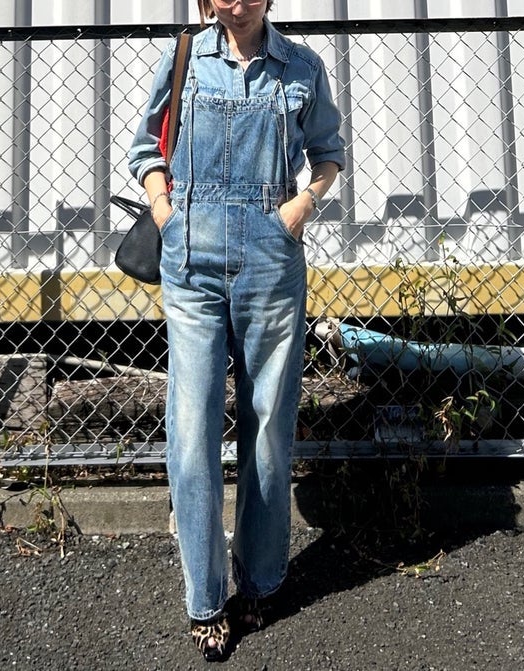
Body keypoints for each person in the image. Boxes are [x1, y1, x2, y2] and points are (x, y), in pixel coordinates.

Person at [128, 0, 345, 661]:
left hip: (270, 258)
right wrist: (165, 212)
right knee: (191, 426)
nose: (239, 4)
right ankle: (205, 598)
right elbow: (145, 148)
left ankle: (260, 578)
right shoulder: (185, 58)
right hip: (190, 257)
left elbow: (328, 154)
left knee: (269, 425)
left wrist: (300, 207)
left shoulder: (302, 67)